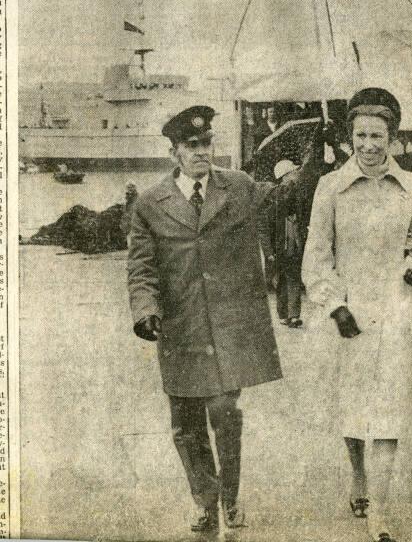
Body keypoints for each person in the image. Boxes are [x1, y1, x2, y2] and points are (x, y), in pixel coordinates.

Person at [127, 105, 283, 533]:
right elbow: (141, 268)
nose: (201, 152)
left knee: (225, 412)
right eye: (191, 145)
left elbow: (286, 198)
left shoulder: (239, 187)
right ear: (175, 152)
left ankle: (229, 499)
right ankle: (203, 499)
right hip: (181, 329)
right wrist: (146, 311)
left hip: (229, 327)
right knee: (185, 421)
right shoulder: (149, 204)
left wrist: (313, 157)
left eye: (207, 143)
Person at [302, 88, 412, 542]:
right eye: (360, 135)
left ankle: (380, 516)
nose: (368, 145)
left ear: (392, 138)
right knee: (352, 414)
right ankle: (358, 477)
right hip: (347, 317)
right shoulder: (330, 188)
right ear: (349, 138)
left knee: (389, 414)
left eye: (377, 136)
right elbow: (316, 257)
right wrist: (335, 305)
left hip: (396, 315)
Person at [268, 159, 304, 329]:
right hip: (286, 241)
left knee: (288, 276)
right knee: (287, 277)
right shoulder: (283, 192)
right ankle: (289, 315)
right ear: (286, 176)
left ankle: (289, 315)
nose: (296, 174)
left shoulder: (281, 193)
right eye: (293, 172)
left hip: (287, 241)